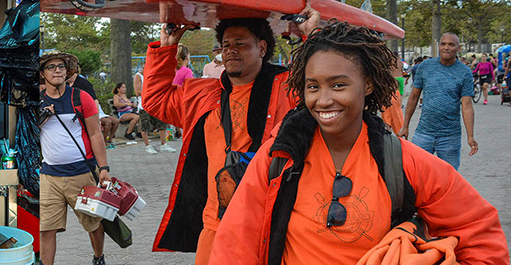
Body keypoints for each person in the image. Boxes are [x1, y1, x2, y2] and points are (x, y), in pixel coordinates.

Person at [210, 21, 507, 265]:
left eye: (338, 85)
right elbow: (236, 242)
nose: (323, 100)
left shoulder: (404, 161)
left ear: (367, 84)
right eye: (313, 86)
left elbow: (481, 235)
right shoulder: (277, 158)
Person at [142, 18, 292, 265]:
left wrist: (313, 36)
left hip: (271, 221)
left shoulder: (287, 87)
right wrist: (168, 46)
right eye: (226, 44)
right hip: (217, 221)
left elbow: (325, 86)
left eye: (241, 44)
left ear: (262, 49)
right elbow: (155, 99)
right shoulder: (202, 93)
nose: (231, 50)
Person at [35, 52, 109, 265]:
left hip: (82, 174)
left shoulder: (80, 97)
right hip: (49, 176)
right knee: (47, 228)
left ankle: (98, 257)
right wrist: (43, 116)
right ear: (42, 74)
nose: (57, 70)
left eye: (61, 67)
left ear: (68, 72)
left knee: (93, 224)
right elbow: (28, 134)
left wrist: (104, 168)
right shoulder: (36, 101)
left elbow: (95, 133)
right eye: (51, 67)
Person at [402, 33, 479, 168]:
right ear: (439, 46)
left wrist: (470, 136)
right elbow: (413, 97)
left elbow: (467, 106)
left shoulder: (464, 72)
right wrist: (406, 126)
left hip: (450, 136)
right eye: (443, 44)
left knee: (449, 179)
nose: (446, 47)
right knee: (414, 171)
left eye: (451, 44)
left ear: (458, 48)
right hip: (423, 133)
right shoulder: (425, 67)